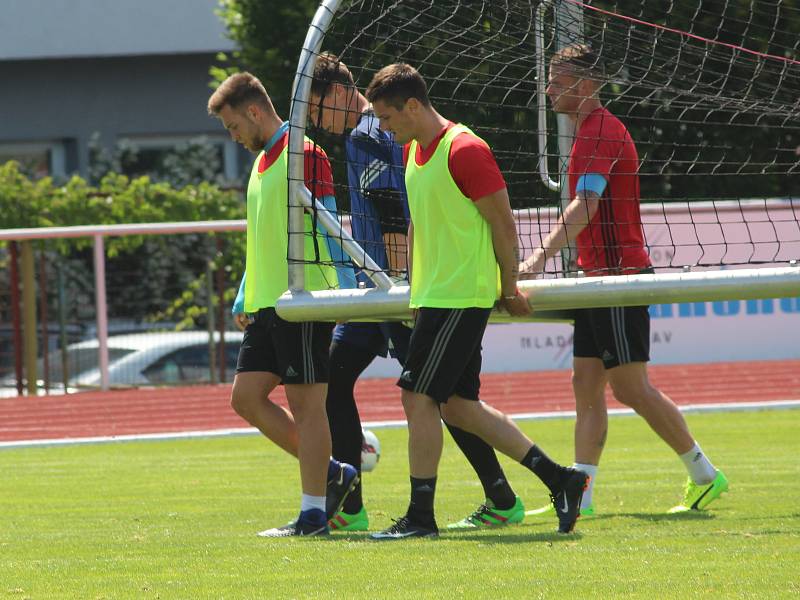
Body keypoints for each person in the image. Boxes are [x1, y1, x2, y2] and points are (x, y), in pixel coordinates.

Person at [363, 63, 588, 540]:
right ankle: (562, 479)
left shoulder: (464, 148)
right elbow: (420, 225)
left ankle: (421, 517)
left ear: (412, 106)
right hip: (436, 297)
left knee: (415, 395)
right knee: (459, 407)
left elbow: (503, 224)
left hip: (461, 296)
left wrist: (508, 286)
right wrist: (413, 290)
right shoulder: (414, 154)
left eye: (387, 118)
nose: (384, 128)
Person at [309, 53, 528, 531]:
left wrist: (404, 288)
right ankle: (351, 506)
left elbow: (392, 211)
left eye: (315, 110)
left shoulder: (368, 135)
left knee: (439, 399)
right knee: (338, 376)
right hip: (385, 290)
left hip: (396, 290)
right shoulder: (374, 134)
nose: (315, 124)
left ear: (340, 93)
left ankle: (503, 495)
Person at [520, 44, 728, 518]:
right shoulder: (587, 133)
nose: (549, 88)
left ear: (585, 85)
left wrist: (537, 259)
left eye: (557, 79)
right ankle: (581, 496)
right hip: (597, 280)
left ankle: (705, 475)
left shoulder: (599, 131)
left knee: (631, 387)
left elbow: (585, 205)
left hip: (619, 279)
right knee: (586, 385)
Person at [208, 72, 359, 537]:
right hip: (267, 303)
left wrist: (351, 288)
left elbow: (331, 224)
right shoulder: (260, 164)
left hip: (305, 300)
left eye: (233, 127)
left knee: (307, 405)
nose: (233, 137)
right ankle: (334, 474)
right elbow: (263, 234)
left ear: (254, 111)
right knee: (246, 399)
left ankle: (314, 514)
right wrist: (243, 293)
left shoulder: (304, 154)